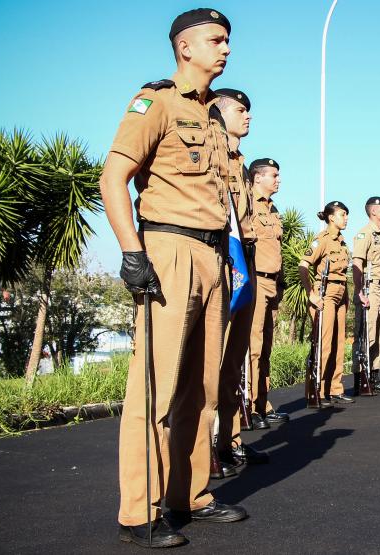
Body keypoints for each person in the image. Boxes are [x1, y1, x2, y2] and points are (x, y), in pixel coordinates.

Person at [100, 8, 246, 548]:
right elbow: (113, 177)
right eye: (216, 39)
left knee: (201, 388)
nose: (226, 48)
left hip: (210, 256)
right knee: (155, 385)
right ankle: (138, 512)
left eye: (228, 39)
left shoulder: (212, 118)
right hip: (167, 249)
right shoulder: (155, 101)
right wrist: (131, 252)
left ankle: (190, 495)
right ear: (185, 47)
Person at [213, 88, 269, 471]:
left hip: (244, 264)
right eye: (240, 109)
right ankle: (204, 449)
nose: (247, 116)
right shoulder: (216, 157)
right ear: (219, 112)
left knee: (234, 364)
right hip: (222, 262)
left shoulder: (241, 162)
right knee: (212, 363)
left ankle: (229, 443)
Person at [247, 158, 289, 422]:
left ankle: (263, 403)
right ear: (258, 177)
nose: (278, 180)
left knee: (266, 347)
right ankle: (248, 406)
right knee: (253, 346)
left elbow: (277, 250)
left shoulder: (273, 210)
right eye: (274, 175)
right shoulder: (247, 204)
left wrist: (282, 282)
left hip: (273, 282)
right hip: (255, 281)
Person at [299, 201, 352, 405]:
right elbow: (303, 266)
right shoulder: (321, 240)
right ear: (331, 217)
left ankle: (335, 388)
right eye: (342, 215)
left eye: (347, 215)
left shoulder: (342, 242)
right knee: (324, 342)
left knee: (339, 343)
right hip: (325, 292)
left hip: (341, 291)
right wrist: (310, 293)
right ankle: (317, 389)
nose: (346, 218)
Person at [352, 197, 380, 393]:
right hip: (369, 289)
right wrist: (359, 291)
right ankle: (360, 377)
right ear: (374, 212)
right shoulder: (365, 234)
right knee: (366, 335)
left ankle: (374, 375)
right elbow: (357, 264)